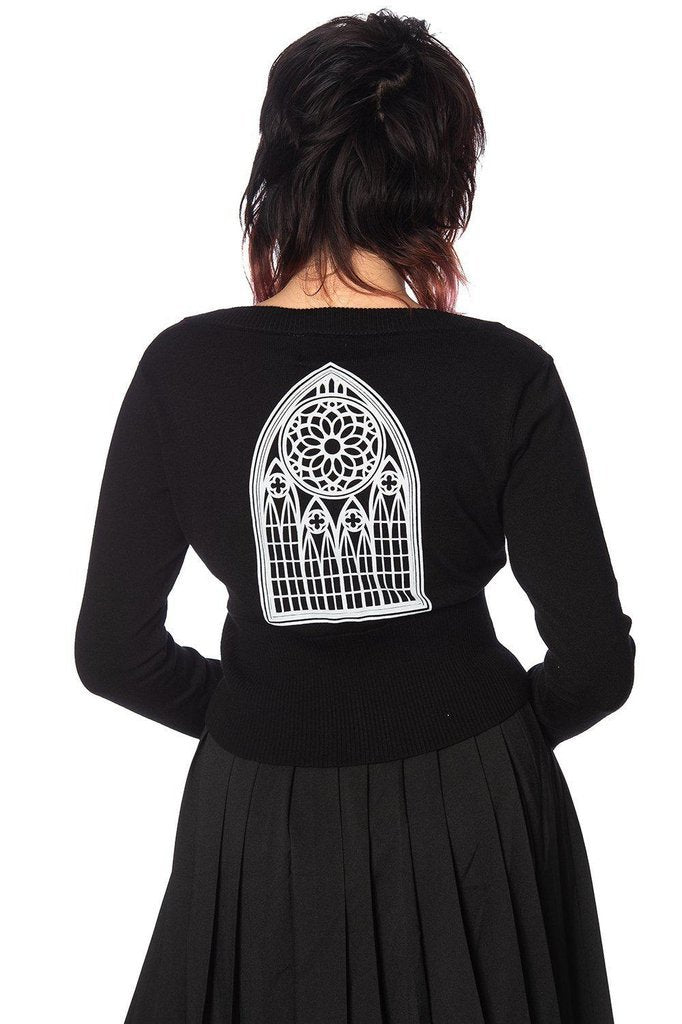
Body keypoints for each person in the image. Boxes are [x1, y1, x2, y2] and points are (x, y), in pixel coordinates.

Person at [74, 11, 635, 1023]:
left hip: (257, 822)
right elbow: (595, 662)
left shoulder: (181, 371)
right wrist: (485, 742)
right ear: (442, 182)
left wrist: (257, 714)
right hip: (478, 824)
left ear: (278, 165)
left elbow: (112, 652)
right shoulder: (506, 375)